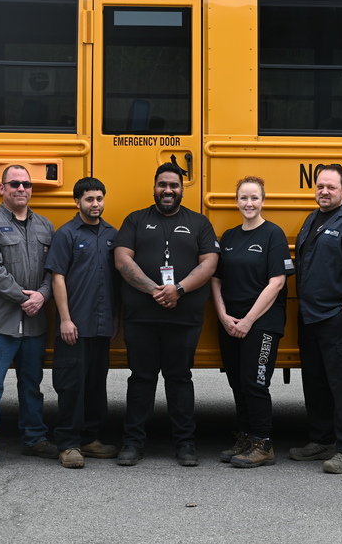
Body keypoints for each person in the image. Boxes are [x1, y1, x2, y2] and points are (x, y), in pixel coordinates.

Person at [113, 163, 219, 467]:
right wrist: (155, 290)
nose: (168, 190)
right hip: (141, 319)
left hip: (183, 320)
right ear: (154, 187)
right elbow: (122, 260)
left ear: (182, 189)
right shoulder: (135, 220)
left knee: (180, 380)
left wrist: (179, 290)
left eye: (174, 185)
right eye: (162, 184)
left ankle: (185, 444)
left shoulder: (199, 223)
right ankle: (133, 443)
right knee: (141, 380)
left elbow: (209, 263)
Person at [0, 165, 57, 470]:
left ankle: (33, 438)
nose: (21, 188)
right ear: (1, 189)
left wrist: (43, 295)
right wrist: (25, 298)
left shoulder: (45, 226)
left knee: (31, 384)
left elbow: (53, 271)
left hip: (34, 324)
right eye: (14, 183)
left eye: (26, 184)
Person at [290, 164, 342, 474]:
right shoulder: (312, 219)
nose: (324, 191)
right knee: (316, 382)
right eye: (320, 186)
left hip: (336, 317)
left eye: (331, 187)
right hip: (311, 316)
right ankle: (321, 439)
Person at [211, 176, 294, 468]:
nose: (249, 203)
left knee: (255, 382)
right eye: (244, 198)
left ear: (263, 201)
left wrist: (247, 320)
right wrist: (223, 315)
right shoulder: (230, 237)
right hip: (231, 321)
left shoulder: (273, 234)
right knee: (237, 382)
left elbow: (276, 283)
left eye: (254, 198)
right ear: (236, 202)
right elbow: (217, 278)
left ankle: (263, 444)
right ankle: (245, 438)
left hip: (262, 323)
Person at [45, 177, 120, 468]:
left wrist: (115, 320)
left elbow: (116, 283)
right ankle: (68, 444)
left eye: (99, 198)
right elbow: (57, 277)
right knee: (71, 385)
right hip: (74, 325)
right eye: (89, 199)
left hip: (101, 325)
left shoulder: (112, 234)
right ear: (77, 202)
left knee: (95, 384)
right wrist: (65, 319)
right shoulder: (66, 234)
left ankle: (90, 439)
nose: (95, 204)